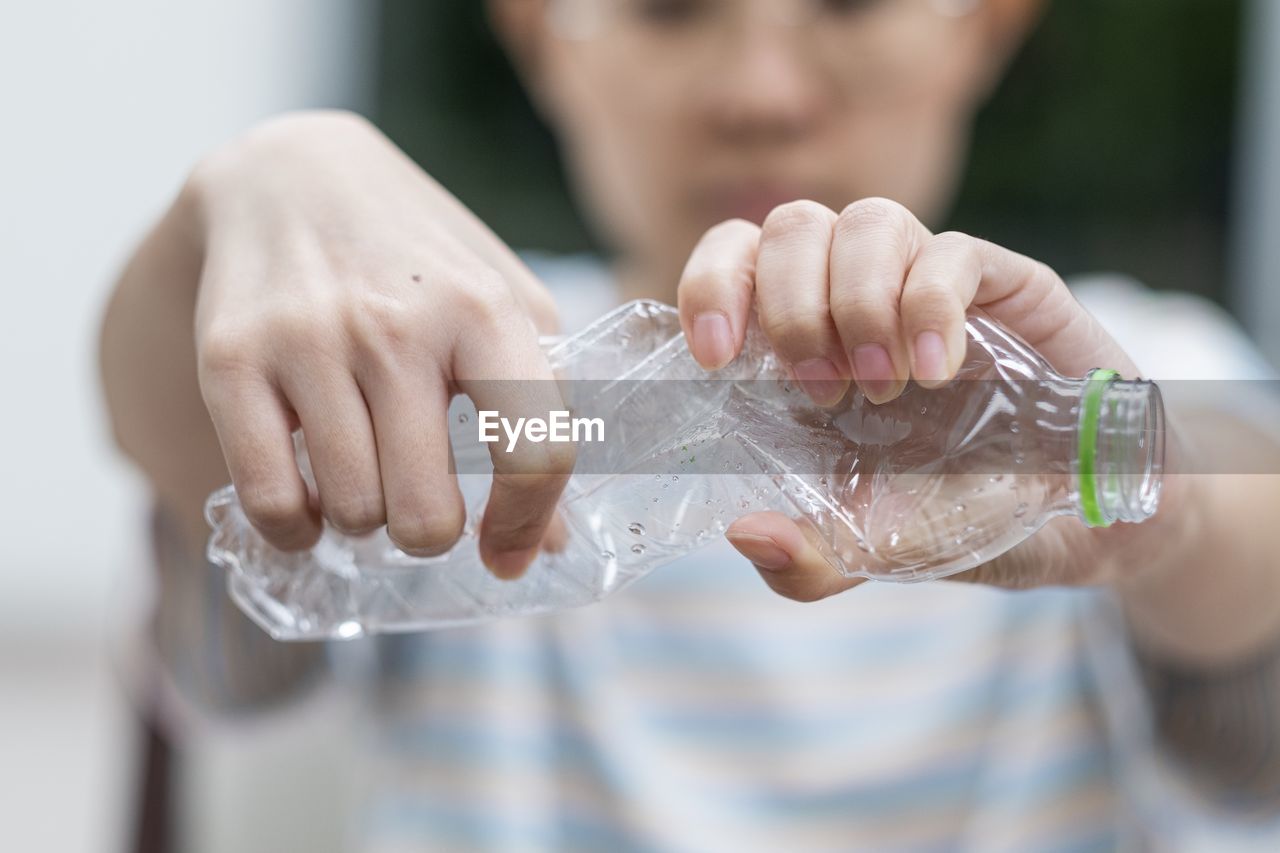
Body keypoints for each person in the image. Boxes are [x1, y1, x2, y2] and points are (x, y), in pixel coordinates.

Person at [100, 0, 1280, 848]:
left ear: (984, 26)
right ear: (536, 32)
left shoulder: (1109, 392)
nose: (758, 92)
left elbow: (1252, 710)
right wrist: (241, 201)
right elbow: (221, 625)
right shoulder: (462, 380)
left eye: (851, 5)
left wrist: (1147, 501)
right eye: (668, 10)